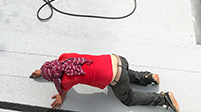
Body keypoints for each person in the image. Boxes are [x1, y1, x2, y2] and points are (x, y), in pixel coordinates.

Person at [30, 53, 180, 112]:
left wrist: (60, 96)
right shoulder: (64, 58)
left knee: (128, 98)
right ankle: (148, 77)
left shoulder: (67, 79)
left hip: (117, 76)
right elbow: (54, 66)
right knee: (120, 71)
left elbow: (62, 90)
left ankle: (163, 98)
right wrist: (43, 70)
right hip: (118, 59)